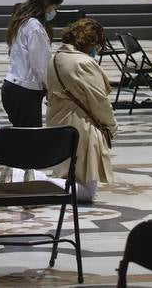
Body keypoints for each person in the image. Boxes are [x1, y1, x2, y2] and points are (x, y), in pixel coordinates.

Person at [37, 18, 117, 204]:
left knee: (69, 176)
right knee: (86, 190)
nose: (97, 49)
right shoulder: (83, 62)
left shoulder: (56, 58)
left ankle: (37, 181)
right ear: (90, 41)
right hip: (82, 126)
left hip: (59, 122)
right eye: (97, 44)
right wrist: (111, 125)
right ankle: (35, 179)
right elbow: (99, 101)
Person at [1, 0, 63, 127]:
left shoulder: (22, 21)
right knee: (30, 140)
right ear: (46, 4)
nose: (54, 11)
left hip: (13, 88)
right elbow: (41, 65)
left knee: (23, 138)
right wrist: (51, 88)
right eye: (54, 7)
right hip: (24, 92)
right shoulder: (34, 27)